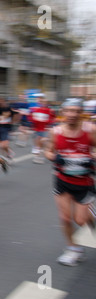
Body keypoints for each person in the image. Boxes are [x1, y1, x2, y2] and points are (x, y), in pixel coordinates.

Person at [44, 98, 96, 267]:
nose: (72, 114)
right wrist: (54, 157)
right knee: (65, 218)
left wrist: (91, 158)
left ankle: (91, 216)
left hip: (84, 182)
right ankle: (74, 249)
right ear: (63, 113)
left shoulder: (90, 130)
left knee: (80, 220)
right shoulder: (56, 131)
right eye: (69, 111)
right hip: (63, 180)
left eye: (76, 111)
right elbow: (48, 151)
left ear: (81, 113)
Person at [29, 93, 55, 164]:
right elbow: (31, 118)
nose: (43, 103)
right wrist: (35, 120)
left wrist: (46, 121)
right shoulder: (36, 109)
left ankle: (40, 156)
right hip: (37, 128)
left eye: (45, 102)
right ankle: (37, 157)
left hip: (45, 129)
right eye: (42, 102)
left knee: (42, 142)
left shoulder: (49, 111)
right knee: (38, 142)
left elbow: (52, 119)